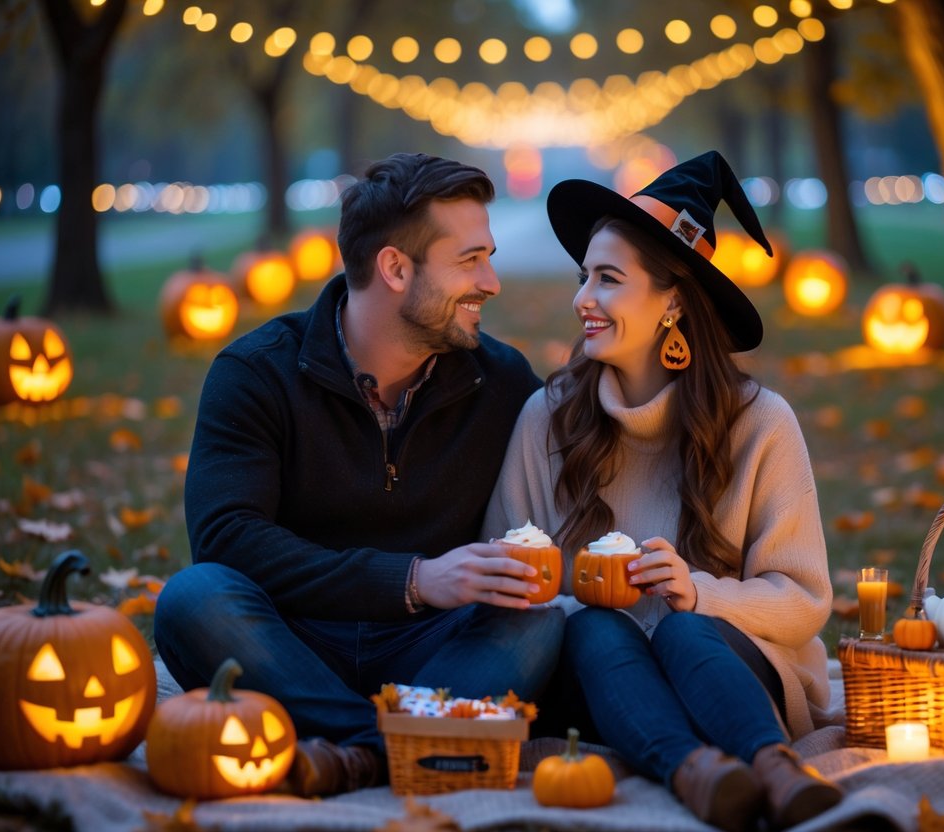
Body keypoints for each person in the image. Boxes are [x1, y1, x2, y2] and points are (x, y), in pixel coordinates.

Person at [155, 152, 564, 796]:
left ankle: (352, 755)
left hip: (436, 649)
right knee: (193, 598)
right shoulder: (256, 373)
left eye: (488, 256)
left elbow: (586, 454)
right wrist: (414, 579)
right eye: (470, 260)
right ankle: (404, 743)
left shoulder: (502, 381)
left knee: (535, 619)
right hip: (293, 639)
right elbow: (228, 537)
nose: (491, 281)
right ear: (395, 268)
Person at [483, 151, 843, 832]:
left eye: (608, 279)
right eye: (583, 276)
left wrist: (697, 591)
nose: (581, 299)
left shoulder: (760, 424)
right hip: (597, 678)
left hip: (726, 664)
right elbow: (502, 568)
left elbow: (803, 602)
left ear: (672, 301)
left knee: (683, 628)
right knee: (595, 626)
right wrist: (568, 591)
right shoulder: (547, 420)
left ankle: (773, 770)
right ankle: (698, 775)